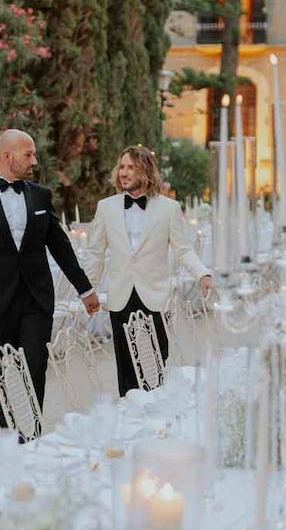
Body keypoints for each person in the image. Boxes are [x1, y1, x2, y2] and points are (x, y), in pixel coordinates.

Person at [0, 129, 100, 432]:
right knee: (6, 371)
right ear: (8, 156)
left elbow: (60, 246)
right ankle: (10, 439)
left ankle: (31, 434)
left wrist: (85, 288)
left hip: (36, 299)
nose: (35, 160)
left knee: (34, 366)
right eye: (28, 154)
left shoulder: (40, 195)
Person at [87, 144, 212, 396]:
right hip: (121, 297)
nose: (123, 172)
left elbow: (184, 250)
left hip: (154, 297)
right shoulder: (106, 207)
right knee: (126, 371)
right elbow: (95, 253)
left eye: (130, 167)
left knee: (154, 366)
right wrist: (86, 289)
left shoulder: (169, 208)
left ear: (146, 171)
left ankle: (154, 424)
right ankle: (128, 423)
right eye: (121, 167)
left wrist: (203, 274)